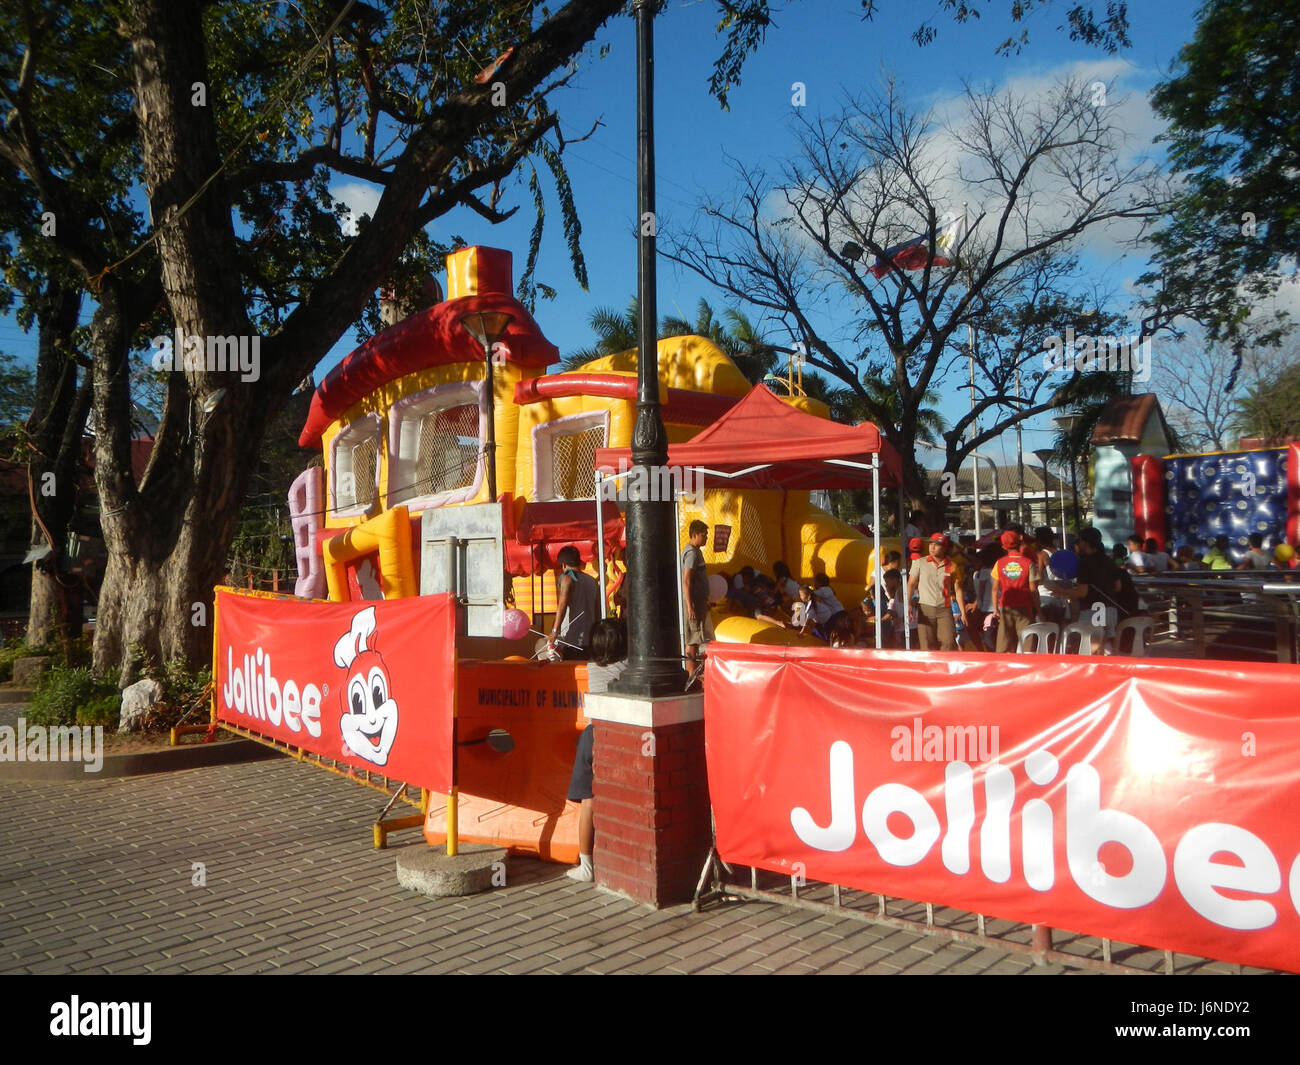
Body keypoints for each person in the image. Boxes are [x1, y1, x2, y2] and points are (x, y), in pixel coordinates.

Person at [565, 619, 627, 883]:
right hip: (621, 733)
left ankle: (586, 863)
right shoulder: (631, 666)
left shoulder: (591, 668)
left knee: (588, 801)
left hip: (592, 735)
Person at [907, 532, 966, 651]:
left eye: (937, 545)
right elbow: (911, 584)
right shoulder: (920, 563)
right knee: (927, 644)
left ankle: (943, 668)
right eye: (930, 544)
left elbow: (958, 590)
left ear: (944, 548)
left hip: (944, 609)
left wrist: (963, 612)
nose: (932, 547)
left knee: (948, 641)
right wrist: (908, 603)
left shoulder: (953, 566)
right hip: (925, 608)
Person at [991, 530, 1039, 652]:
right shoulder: (1029, 563)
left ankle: (1003, 669)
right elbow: (1033, 590)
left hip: (1006, 608)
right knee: (1027, 644)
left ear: (1003, 546)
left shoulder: (999, 563)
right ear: (1020, 543)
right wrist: (1039, 611)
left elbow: (995, 589)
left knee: (1004, 645)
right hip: (1025, 608)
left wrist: (996, 610)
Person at [549, 545, 600, 660]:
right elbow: (597, 610)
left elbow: (562, 605)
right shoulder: (592, 581)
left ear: (563, 564)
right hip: (589, 639)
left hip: (572, 639)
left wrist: (554, 630)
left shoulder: (567, 578)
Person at [681, 520, 714, 674]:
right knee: (692, 641)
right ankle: (691, 675)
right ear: (694, 535)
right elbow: (686, 580)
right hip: (693, 605)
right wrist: (690, 606)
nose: (706, 537)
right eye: (703, 535)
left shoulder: (697, 552)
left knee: (697, 640)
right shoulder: (692, 553)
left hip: (699, 603)